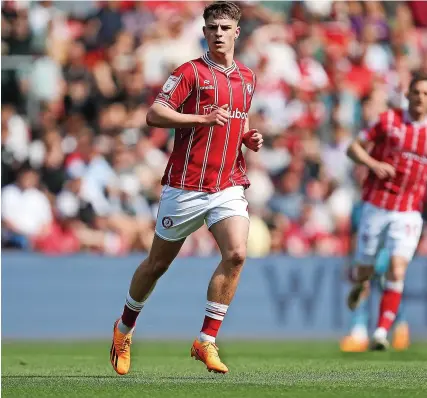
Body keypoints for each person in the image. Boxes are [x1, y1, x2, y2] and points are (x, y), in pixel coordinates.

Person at [110, 1, 263, 375]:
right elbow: (154, 113)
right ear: (204, 31)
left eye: (225, 28)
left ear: (237, 32)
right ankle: (124, 328)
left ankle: (206, 340)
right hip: (186, 186)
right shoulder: (190, 73)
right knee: (157, 265)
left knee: (238, 253)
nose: (219, 33)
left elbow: (234, 122)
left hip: (227, 184)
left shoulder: (247, 77)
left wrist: (247, 137)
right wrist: (202, 117)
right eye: (212, 28)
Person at [346, 72, 427, 350]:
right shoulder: (388, 121)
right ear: (408, 95)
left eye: (426, 94)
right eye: (417, 93)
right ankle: (359, 285)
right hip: (377, 205)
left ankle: (381, 331)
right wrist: (372, 163)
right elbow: (353, 147)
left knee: (396, 266)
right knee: (365, 269)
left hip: (409, 211)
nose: (420, 98)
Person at [340, 200, 409, 352]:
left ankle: (400, 327)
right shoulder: (359, 207)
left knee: (389, 286)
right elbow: (352, 235)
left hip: (385, 253)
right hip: (366, 254)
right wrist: (349, 259)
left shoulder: (392, 204)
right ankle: (359, 332)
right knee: (362, 287)